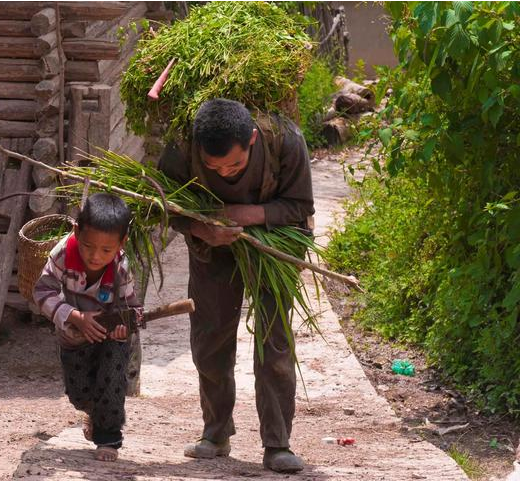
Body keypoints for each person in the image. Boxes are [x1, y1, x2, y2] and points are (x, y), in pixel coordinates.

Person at [158, 98, 315, 473]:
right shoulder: (181, 151)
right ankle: (215, 432)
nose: (225, 173)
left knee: (273, 339)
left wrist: (248, 214)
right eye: (215, 167)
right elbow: (165, 205)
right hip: (212, 249)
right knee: (210, 337)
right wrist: (202, 229)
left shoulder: (286, 140)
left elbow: (299, 205)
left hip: (274, 244)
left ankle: (277, 443)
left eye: (235, 164)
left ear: (253, 140)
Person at [33, 192, 142, 462]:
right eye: (88, 246)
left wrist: (123, 327)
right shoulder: (61, 255)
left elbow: (132, 309)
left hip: (110, 338)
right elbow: (42, 293)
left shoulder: (121, 267)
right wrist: (75, 316)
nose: (95, 256)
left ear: (121, 243)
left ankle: (108, 439)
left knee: (111, 381)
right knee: (79, 393)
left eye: (106, 250)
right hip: (73, 338)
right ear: (77, 231)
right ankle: (94, 413)